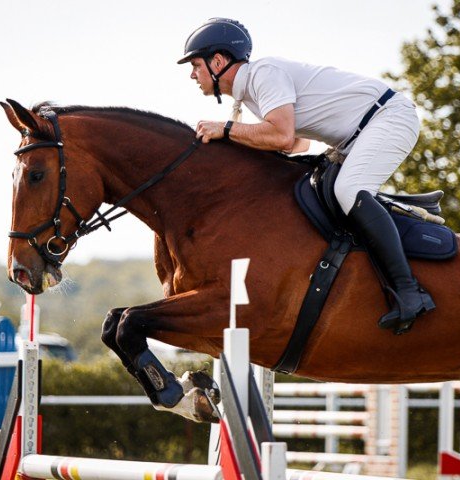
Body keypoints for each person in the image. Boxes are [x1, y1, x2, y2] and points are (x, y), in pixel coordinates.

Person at [177, 17, 435, 331]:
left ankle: (410, 291)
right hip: (358, 135)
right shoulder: (253, 92)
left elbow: (283, 137)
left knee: (348, 190)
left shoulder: (262, 74)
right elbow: (297, 143)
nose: (192, 74)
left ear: (218, 61)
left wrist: (226, 128)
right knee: (321, 188)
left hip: (388, 118)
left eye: (195, 65)